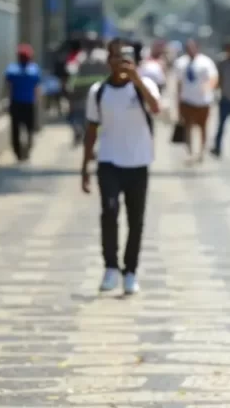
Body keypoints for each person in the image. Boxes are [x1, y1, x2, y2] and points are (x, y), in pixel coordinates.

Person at [81, 38, 161, 295]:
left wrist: (136, 79)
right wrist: (84, 167)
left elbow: (156, 107)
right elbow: (91, 129)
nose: (120, 62)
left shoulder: (143, 85)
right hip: (109, 161)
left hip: (138, 162)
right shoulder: (98, 91)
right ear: (108, 61)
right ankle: (110, 267)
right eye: (115, 57)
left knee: (135, 220)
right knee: (109, 211)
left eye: (125, 57)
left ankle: (130, 271)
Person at [175, 39, 218, 162]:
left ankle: (201, 151)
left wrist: (208, 87)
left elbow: (213, 77)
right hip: (187, 100)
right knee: (187, 126)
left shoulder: (205, 62)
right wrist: (178, 100)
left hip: (203, 101)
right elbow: (178, 83)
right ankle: (190, 150)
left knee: (202, 127)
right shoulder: (180, 63)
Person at [68, 35, 109, 146]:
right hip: (97, 95)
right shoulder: (103, 56)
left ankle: (89, 142)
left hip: (84, 94)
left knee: (87, 120)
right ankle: (91, 143)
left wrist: (70, 89)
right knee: (95, 120)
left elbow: (72, 76)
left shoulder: (80, 57)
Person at [5, 43, 41, 161]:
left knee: (16, 129)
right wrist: (37, 101)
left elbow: (8, 87)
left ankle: (18, 152)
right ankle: (27, 148)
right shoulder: (34, 70)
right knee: (29, 128)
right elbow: (37, 88)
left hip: (16, 103)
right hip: (29, 103)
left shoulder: (12, 70)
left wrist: (7, 102)